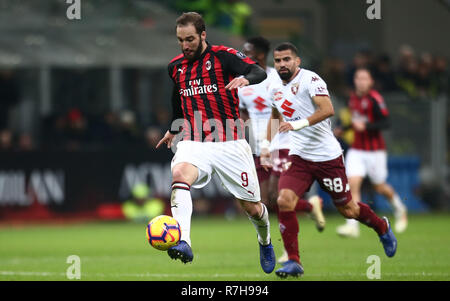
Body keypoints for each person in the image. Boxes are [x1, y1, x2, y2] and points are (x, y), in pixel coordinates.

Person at [262, 42, 397, 278]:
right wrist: (265, 146)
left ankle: (381, 226)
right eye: (278, 60)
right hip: (299, 156)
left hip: (327, 157)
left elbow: (328, 109)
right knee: (284, 200)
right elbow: (275, 115)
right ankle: (294, 261)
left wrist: (297, 124)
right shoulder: (273, 85)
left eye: (286, 59)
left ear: (297, 61)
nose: (282, 64)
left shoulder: (311, 80)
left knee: (348, 210)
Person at [156, 12, 276, 274]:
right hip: (195, 141)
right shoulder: (175, 67)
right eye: (180, 40)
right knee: (179, 173)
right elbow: (178, 99)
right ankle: (184, 240)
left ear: (203, 35)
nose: (185, 45)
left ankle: (265, 240)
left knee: (252, 208)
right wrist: (173, 128)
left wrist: (246, 78)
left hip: (230, 142)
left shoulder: (223, 56)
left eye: (189, 39)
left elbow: (257, 71)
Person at [237, 37, 325, 264]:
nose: (248, 57)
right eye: (245, 54)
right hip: (258, 145)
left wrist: (272, 139)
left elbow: (287, 109)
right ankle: (308, 207)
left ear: (264, 54)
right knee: (266, 201)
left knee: (279, 193)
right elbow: (245, 112)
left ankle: (289, 250)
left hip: (284, 140)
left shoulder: (278, 77)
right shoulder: (242, 83)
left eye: (252, 53)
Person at [336, 68, 408, 238]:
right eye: (358, 78)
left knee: (380, 187)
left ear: (370, 82)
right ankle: (352, 226)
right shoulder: (352, 99)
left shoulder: (376, 99)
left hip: (375, 151)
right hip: (357, 150)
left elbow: (386, 122)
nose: (361, 81)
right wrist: (343, 129)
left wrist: (367, 127)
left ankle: (399, 208)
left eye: (364, 78)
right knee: (352, 183)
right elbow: (356, 122)